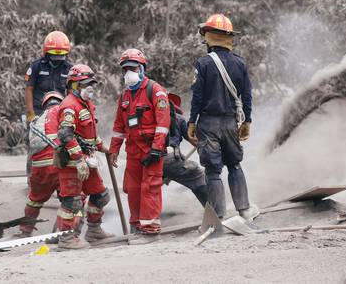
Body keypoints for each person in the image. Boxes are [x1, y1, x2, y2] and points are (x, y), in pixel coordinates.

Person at [187, 14, 259, 220]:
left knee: (212, 170)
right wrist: (247, 121)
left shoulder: (202, 64)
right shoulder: (240, 63)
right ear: (228, 37)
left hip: (208, 123)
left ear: (208, 36)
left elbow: (197, 97)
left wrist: (192, 122)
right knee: (234, 165)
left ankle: (218, 216)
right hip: (230, 122)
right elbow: (247, 96)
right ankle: (245, 211)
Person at [109, 48, 170, 245]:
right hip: (133, 151)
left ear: (142, 68)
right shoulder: (125, 96)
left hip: (151, 150)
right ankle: (136, 227)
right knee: (133, 189)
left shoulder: (155, 90)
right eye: (125, 69)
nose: (129, 73)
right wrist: (114, 150)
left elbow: (163, 123)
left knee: (149, 188)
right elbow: (119, 126)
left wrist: (156, 148)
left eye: (132, 68)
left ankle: (151, 231)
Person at [55, 64, 113, 250]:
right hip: (73, 161)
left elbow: (88, 133)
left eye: (91, 83)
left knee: (101, 196)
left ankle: (94, 230)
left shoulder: (86, 104)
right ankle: (66, 239)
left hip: (88, 159)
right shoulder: (69, 106)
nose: (90, 87)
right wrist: (79, 159)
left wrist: (102, 147)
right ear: (74, 85)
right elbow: (66, 134)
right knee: (72, 201)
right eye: (85, 83)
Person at [15, 91, 64, 238]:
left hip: (38, 167)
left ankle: (25, 231)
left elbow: (30, 151)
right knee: (71, 199)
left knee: (35, 200)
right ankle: (62, 233)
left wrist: (30, 176)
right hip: (57, 164)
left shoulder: (36, 120)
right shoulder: (63, 113)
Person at [163, 93, 208, 207]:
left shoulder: (148, 119)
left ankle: (142, 220)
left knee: (148, 189)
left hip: (148, 160)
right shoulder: (178, 119)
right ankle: (214, 210)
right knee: (197, 176)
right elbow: (195, 140)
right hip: (169, 158)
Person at [24, 31, 73, 121]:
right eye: (54, 54)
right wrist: (30, 113)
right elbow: (28, 89)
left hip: (60, 110)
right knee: (30, 133)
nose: (57, 58)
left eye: (61, 55)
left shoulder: (69, 69)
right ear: (46, 52)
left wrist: (69, 113)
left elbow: (71, 93)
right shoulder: (36, 66)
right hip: (38, 110)